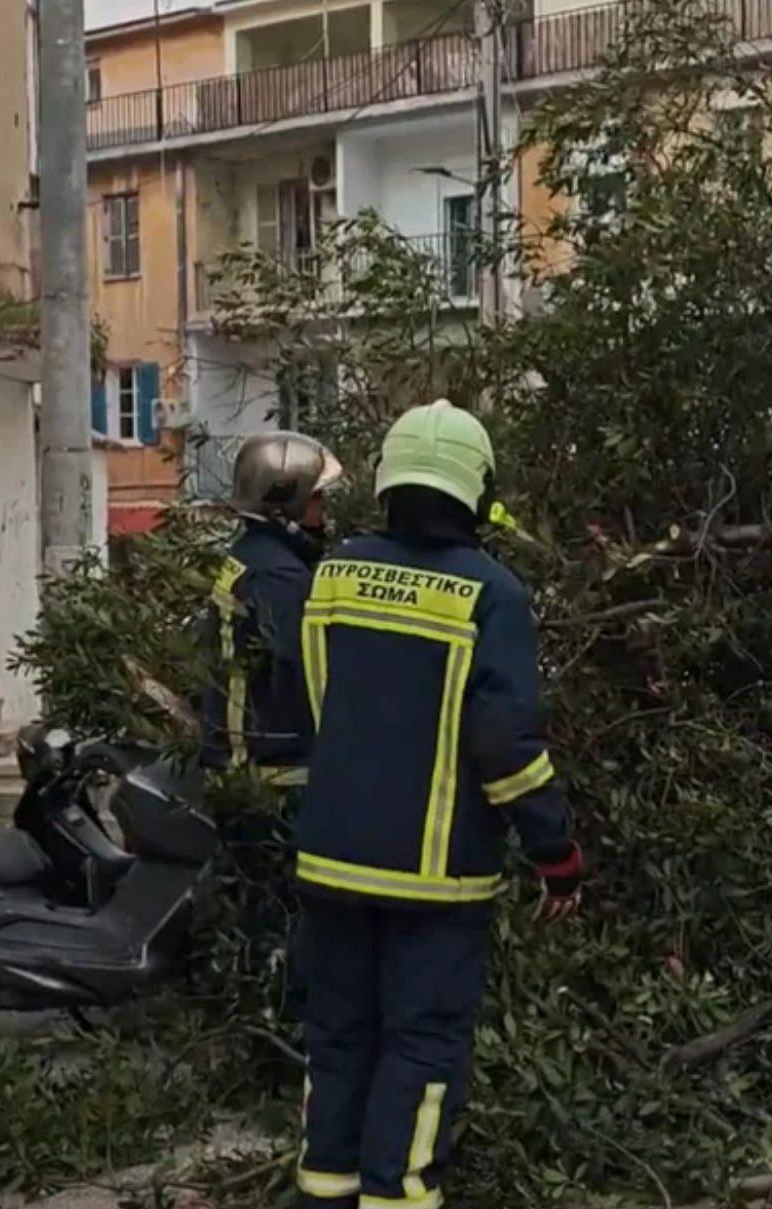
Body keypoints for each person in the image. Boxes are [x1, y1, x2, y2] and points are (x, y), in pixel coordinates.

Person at [292, 399, 583, 1209]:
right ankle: (400, 1198)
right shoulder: (492, 593)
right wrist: (556, 853)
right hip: (435, 874)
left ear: (388, 482)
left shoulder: (334, 573)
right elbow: (506, 747)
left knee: (337, 1039)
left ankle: (324, 1194)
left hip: (330, 858)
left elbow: (316, 702)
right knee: (421, 1048)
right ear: (477, 490)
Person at [200, 431, 343, 789]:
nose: (324, 507)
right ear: (284, 503)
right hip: (274, 771)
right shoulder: (279, 577)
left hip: (243, 757)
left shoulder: (253, 555)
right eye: (316, 496)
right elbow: (302, 676)